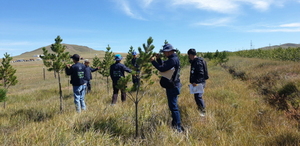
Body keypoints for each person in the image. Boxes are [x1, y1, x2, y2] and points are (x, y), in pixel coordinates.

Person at [150, 44, 184, 132]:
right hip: (173, 86)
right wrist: (158, 59)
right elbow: (165, 65)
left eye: (165, 52)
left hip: (172, 87)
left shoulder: (173, 60)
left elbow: (162, 68)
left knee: (173, 107)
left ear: (169, 52)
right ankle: (175, 123)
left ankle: (178, 127)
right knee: (173, 106)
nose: (164, 54)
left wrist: (153, 62)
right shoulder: (173, 59)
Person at [187, 48, 209, 117]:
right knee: (197, 97)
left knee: (198, 97)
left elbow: (200, 73)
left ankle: (203, 111)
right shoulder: (195, 61)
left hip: (199, 83)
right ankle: (200, 110)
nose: (188, 57)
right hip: (198, 82)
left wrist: (196, 82)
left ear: (191, 55)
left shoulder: (198, 62)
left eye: (189, 55)